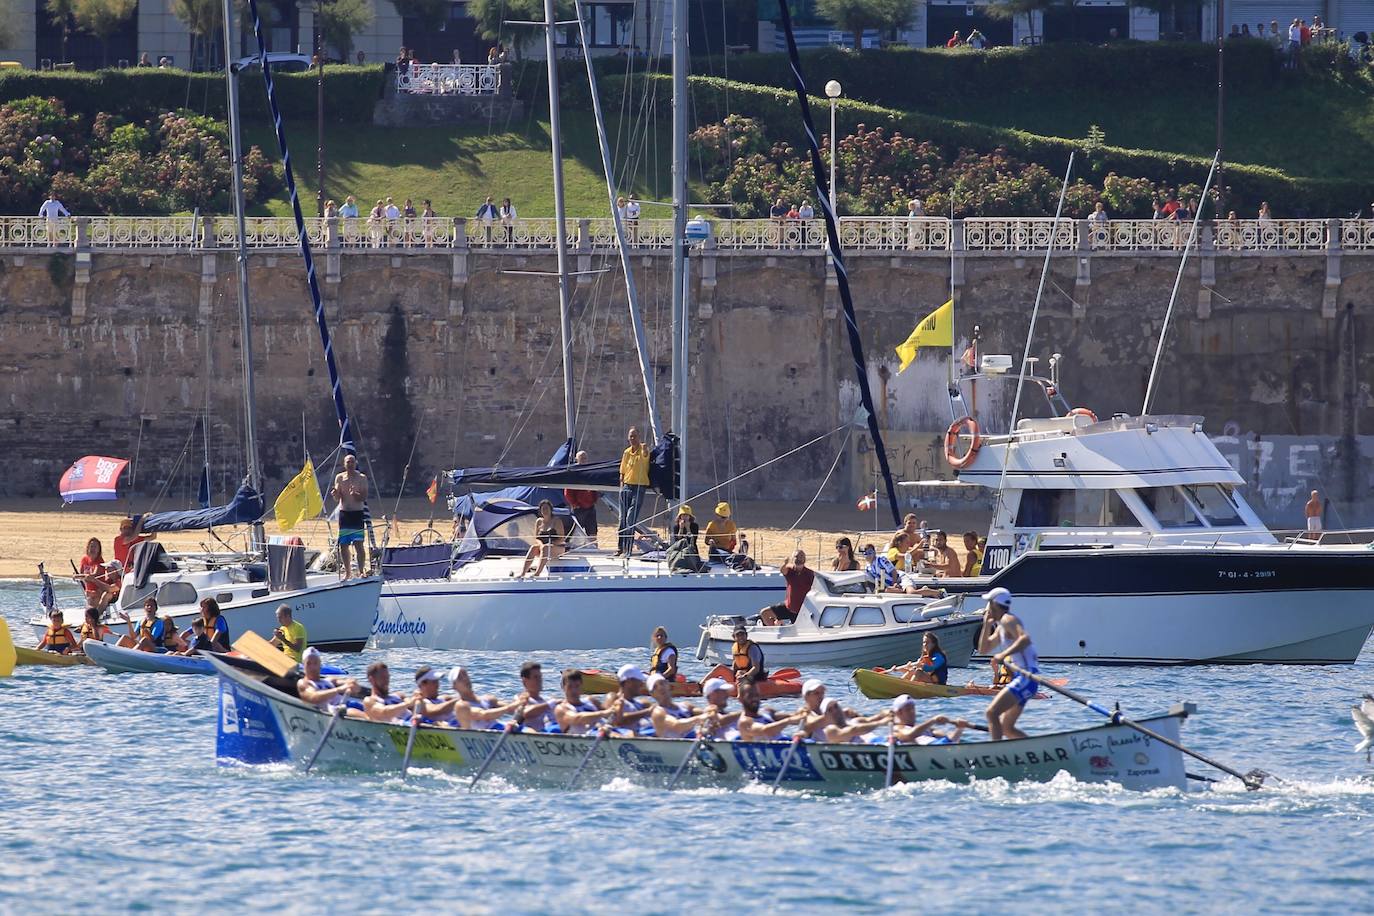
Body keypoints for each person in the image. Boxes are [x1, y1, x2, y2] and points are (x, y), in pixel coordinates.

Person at [977, 588, 1039, 741]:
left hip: (1026, 676)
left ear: (994, 604)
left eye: (989, 603)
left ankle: (996, 752)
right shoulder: (1000, 627)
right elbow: (983, 649)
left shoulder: (1008, 620)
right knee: (1006, 728)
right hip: (1024, 677)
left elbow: (1025, 638)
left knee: (991, 713)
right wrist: (986, 624)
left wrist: (1003, 655)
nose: (987, 607)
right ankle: (1035, 751)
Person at [332, 453, 369, 579]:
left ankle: (361, 570)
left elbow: (364, 497)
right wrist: (335, 493)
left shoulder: (362, 478)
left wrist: (355, 494)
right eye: (348, 462)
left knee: (359, 544)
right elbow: (337, 498)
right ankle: (347, 572)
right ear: (344, 464)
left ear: (356, 463)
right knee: (344, 545)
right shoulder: (340, 478)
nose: (350, 464)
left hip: (357, 514)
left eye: (352, 462)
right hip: (344, 515)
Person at [615, 426, 650, 557]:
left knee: (630, 519)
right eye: (631, 436)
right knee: (621, 519)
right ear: (628, 438)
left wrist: (645, 449)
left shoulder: (643, 450)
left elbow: (646, 455)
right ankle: (620, 547)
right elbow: (622, 472)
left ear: (639, 437)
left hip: (639, 487)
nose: (633, 439)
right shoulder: (626, 452)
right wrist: (621, 488)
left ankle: (628, 550)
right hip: (626, 487)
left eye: (635, 436)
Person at [736, 677, 805, 741]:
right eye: (750, 696)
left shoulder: (767, 712)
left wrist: (802, 713)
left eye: (756, 695)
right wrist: (789, 721)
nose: (755, 698)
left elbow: (795, 718)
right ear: (741, 699)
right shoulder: (745, 722)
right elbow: (765, 731)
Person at [647, 673, 709, 737]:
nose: (660, 688)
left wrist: (712, 712)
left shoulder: (686, 706)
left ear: (669, 686)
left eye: (662, 683)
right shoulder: (657, 712)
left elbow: (706, 714)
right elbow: (676, 726)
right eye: (655, 687)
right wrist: (700, 718)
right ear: (652, 694)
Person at [890, 695, 969, 745]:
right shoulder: (897, 729)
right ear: (899, 712)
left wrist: (959, 729)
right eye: (908, 709)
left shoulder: (927, 729)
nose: (912, 712)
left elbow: (950, 741)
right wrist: (933, 721)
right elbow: (909, 735)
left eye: (913, 708)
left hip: (940, 748)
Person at [517, 499, 566, 577]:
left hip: (557, 547)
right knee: (533, 547)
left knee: (546, 548)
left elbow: (561, 538)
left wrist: (549, 544)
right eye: (543, 509)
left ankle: (537, 573)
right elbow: (536, 538)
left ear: (551, 509)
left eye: (547, 508)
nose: (545, 510)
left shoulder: (557, 521)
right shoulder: (539, 521)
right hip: (543, 547)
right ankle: (523, 573)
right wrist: (541, 545)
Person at [555, 669, 608, 735]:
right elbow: (577, 718)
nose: (574, 691)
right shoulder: (561, 709)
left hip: (606, 733)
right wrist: (603, 713)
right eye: (570, 687)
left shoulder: (591, 701)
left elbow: (611, 715)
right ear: (563, 687)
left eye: (577, 686)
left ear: (581, 686)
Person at [606, 664, 655, 735]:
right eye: (639, 681)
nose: (642, 684)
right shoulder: (614, 698)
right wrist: (647, 712)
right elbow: (616, 719)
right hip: (625, 737)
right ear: (629, 682)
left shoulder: (642, 703)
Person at [562, 450, 598, 543]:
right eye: (582, 458)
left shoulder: (590, 471)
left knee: (592, 530)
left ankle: (593, 548)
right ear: (576, 459)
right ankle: (569, 546)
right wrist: (574, 504)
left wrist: (594, 499)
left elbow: (594, 487)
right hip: (579, 508)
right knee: (575, 530)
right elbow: (567, 492)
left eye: (585, 458)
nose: (584, 460)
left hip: (590, 507)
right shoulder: (573, 473)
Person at [817, 697, 888, 744]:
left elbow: (874, 718)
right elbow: (853, 730)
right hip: (873, 747)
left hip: (881, 741)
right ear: (825, 716)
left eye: (836, 706)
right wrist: (881, 723)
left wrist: (886, 713)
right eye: (830, 710)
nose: (835, 711)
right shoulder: (831, 730)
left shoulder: (855, 721)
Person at [76, 538, 120, 611]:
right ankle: (92, 615)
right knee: (91, 600)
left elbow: (94, 576)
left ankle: (97, 615)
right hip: (90, 590)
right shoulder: (108, 580)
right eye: (91, 546)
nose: (106, 570)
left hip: (98, 592)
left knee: (101, 595)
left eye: (95, 547)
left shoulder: (119, 582)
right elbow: (82, 573)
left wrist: (83, 577)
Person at [513, 661, 556, 732]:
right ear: (525, 681)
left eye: (540, 677)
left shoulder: (546, 700)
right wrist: (551, 703)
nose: (540, 680)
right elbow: (525, 713)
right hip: (531, 733)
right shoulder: (521, 699)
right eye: (536, 677)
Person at [778, 549, 814, 619]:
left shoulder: (810, 573)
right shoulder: (790, 570)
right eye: (796, 556)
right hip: (789, 607)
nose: (799, 558)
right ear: (793, 558)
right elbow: (783, 571)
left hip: (803, 609)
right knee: (765, 613)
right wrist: (785, 563)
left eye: (801, 556)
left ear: (805, 559)